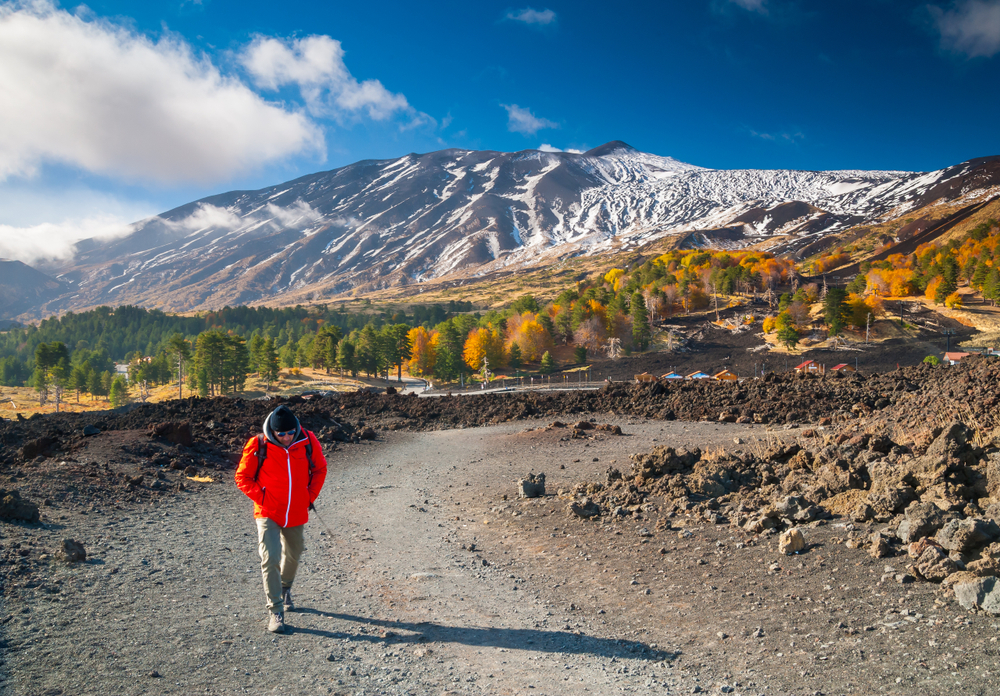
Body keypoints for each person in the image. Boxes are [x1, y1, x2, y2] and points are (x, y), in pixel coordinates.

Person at [235, 404, 327, 634]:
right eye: (281, 434)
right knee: (270, 557)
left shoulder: (307, 439)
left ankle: (285, 588)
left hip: (296, 509)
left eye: (289, 433)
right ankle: (275, 610)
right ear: (273, 431)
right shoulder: (258, 444)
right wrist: (264, 498)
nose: (286, 438)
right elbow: (242, 477)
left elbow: (320, 469)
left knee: (295, 552)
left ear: (294, 428)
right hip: (267, 511)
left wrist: (309, 496)